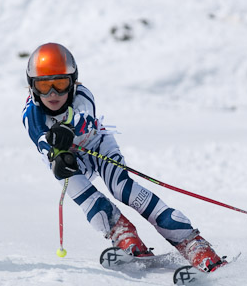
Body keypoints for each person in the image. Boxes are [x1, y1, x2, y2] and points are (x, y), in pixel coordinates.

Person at [22, 42, 227, 273]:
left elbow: (84, 120)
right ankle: (123, 235)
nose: (53, 94)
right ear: (32, 87)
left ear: (73, 81)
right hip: (67, 159)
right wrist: (55, 155)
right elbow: (41, 142)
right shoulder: (31, 114)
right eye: (44, 86)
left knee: (123, 190)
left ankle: (191, 242)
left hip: (97, 146)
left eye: (60, 84)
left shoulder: (82, 95)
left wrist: (65, 130)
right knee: (91, 203)